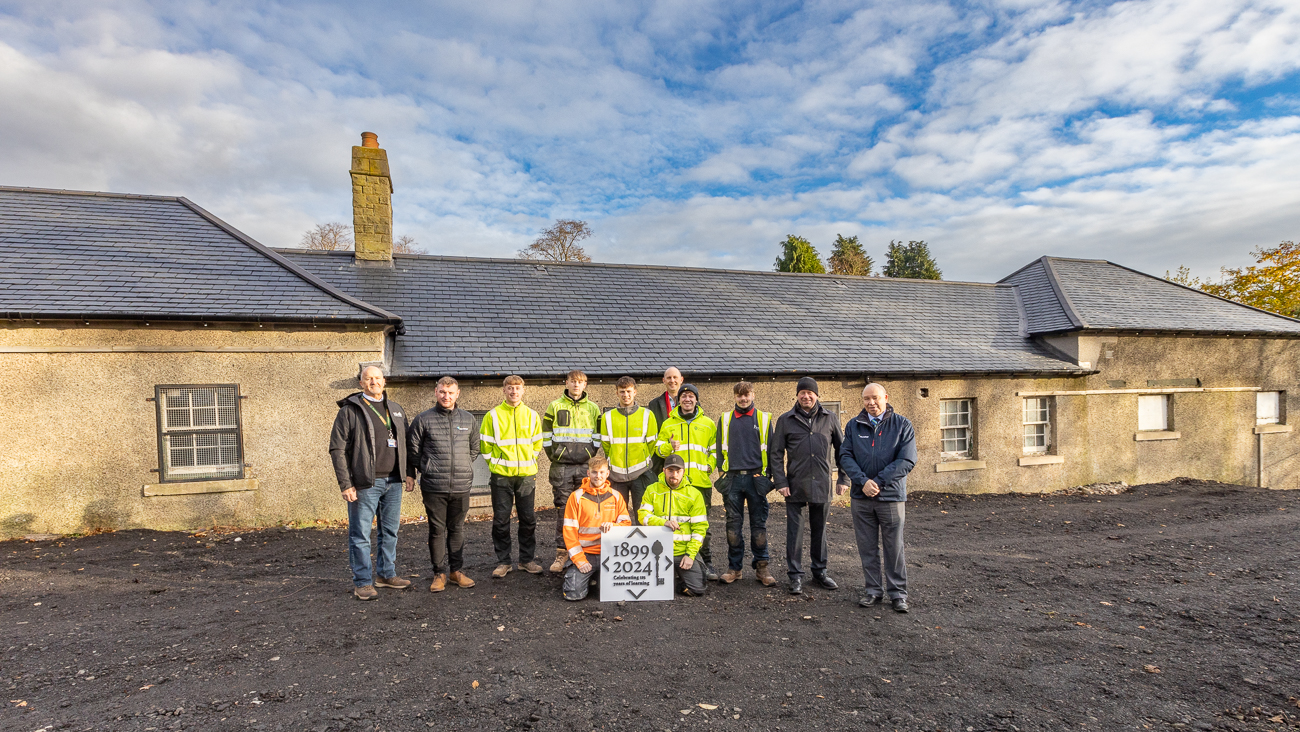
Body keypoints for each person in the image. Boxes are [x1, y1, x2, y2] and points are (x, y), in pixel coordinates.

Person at [329, 365, 415, 601]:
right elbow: (337, 449)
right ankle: (363, 582)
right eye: (368, 379)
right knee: (361, 534)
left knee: (390, 531)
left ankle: (387, 574)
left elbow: (404, 444)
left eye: (377, 378)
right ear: (361, 384)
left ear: (384, 381)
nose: (373, 382)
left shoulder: (396, 409)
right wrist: (346, 484)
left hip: (394, 481)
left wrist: (408, 473)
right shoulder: (350, 411)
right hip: (365, 482)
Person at [839, 383, 917, 613]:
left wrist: (879, 482)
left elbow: (907, 460)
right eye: (866, 399)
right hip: (861, 497)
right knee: (867, 547)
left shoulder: (902, 424)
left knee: (894, 547)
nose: (871, 403)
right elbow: (845, 455)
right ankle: (873, 590)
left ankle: (898, 594)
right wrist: (863, 482)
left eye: (875, 398)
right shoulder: (853, 425)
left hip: (891, 497)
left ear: (885, 397)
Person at [769, 376, 848, 595]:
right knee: (794, 532)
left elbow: (843, 451)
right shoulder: (785, 420)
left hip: (822, 483)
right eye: (802, 393)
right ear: (797, 396)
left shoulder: (830, 418)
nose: (806, 396)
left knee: (819, 531)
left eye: (810, 393)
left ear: (816, 395)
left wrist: (844, 478)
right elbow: (775, 454)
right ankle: (795, 576)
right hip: (794, 484)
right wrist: (781, 482)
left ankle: (819, 572)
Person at [406, 376, 480, 592]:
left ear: (457, 394)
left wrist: (463, 466)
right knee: (437, 530)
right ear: (436, 392)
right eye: (442, 392)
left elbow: (474, 448)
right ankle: (439, 573)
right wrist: (429, 468)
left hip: (461, 486)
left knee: (457, 529)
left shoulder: (468, 419)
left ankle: (456, 571)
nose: (446, 396)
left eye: (450, 392)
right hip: (433, 487)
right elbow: (413, 451)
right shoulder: (423, 419)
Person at [480, 375, 545, 579]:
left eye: (517, 388)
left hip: (526, 475)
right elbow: (485, 445)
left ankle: (526, 560)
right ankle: (504, 562)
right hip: (501, 476)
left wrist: (527, 461)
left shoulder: (533, 415)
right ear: (504, 390)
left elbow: (537, 444)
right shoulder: (492, 415)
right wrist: (496, 464)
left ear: (523, 390)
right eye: (510, 388)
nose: (514, 391)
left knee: (528, 519)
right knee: (500, 520)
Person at [653, 383, 719, 581]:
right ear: (678, 400)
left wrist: (709, 466)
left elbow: (714, 450)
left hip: (699, 482)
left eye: (691, 396)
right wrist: (668, 446)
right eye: (684, 396)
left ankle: (706, 563)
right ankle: (671, 561)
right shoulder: (668, 423)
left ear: (696, 399)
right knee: (675, 522)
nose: (687, 399)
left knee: (702, 527)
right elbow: (657, 449)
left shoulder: (708, 423)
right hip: (675, 482)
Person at [715, 381, 776, 586]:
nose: (743, 399)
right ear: (734, 397)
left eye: (747, 395)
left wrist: (768, 477)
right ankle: (734, 569)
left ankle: (762, 569)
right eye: (739, 396)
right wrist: (722, 472)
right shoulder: (724, 419)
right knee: (733, 527)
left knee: (759, 527)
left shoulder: (765, 419)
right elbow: (718, 449)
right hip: (732, 479)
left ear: (753, 395)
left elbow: (774, 451)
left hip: (756, 478)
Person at [542, 370, 602, 573]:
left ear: (585, 385)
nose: (577, 385)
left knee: (586, 508)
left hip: (585, 465)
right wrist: (555, 455)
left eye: (581, 382)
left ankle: (584, 550)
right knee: (563, 509)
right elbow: (546, 435)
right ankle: (562, 553)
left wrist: (589, 453)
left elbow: (597, 436)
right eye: (573, 381)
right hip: (562, 466)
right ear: (566, 383)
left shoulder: (593, 408)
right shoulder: (555, 405)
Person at [561, 457, 632, 601]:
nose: (597, 476)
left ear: (607, 474)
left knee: (613, 594)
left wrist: (614, 526)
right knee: (573, 594)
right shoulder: (576, 497)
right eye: (594, 472)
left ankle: (595, 578)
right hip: (585, 553)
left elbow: (626, 524)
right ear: (588, 473)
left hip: (611, 554)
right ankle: (589, 575)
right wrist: (580, 560)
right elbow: (569, 533)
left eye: (601, 472)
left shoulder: (616, 497)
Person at [637, 455, 709, 596]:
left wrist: (690, 554)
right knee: (646, 587)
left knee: (697, 590)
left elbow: (700, 529)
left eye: (678, 471)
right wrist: (662, 522)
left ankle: (677, 582)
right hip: (657, 551)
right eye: (670, 470)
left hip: (682, 552)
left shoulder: (694, 495)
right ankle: (668, 579)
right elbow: (642, 516)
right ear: (664, 470)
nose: (674, 475)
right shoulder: (652, 490)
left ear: (683, 471)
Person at [597, 376, 659, 525]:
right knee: (617, 515)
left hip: (640, 473)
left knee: (643, 515)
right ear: (617, 393)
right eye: (622, 391)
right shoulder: (607, 417)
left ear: (635, 392)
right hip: (616, 475)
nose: (626, 395)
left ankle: (642, 546)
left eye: (629, 391)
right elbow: (606, 445)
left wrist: (642, 460)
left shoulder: (647, 415)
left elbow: (652, 445)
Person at [646, 367, 684, 476]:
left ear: (681, 379)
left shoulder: (693, 404)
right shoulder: (654, 404)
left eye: (675, 377)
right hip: (660, 460)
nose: (672, 380)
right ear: (664, 380)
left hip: (683, 455)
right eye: (669, 378)